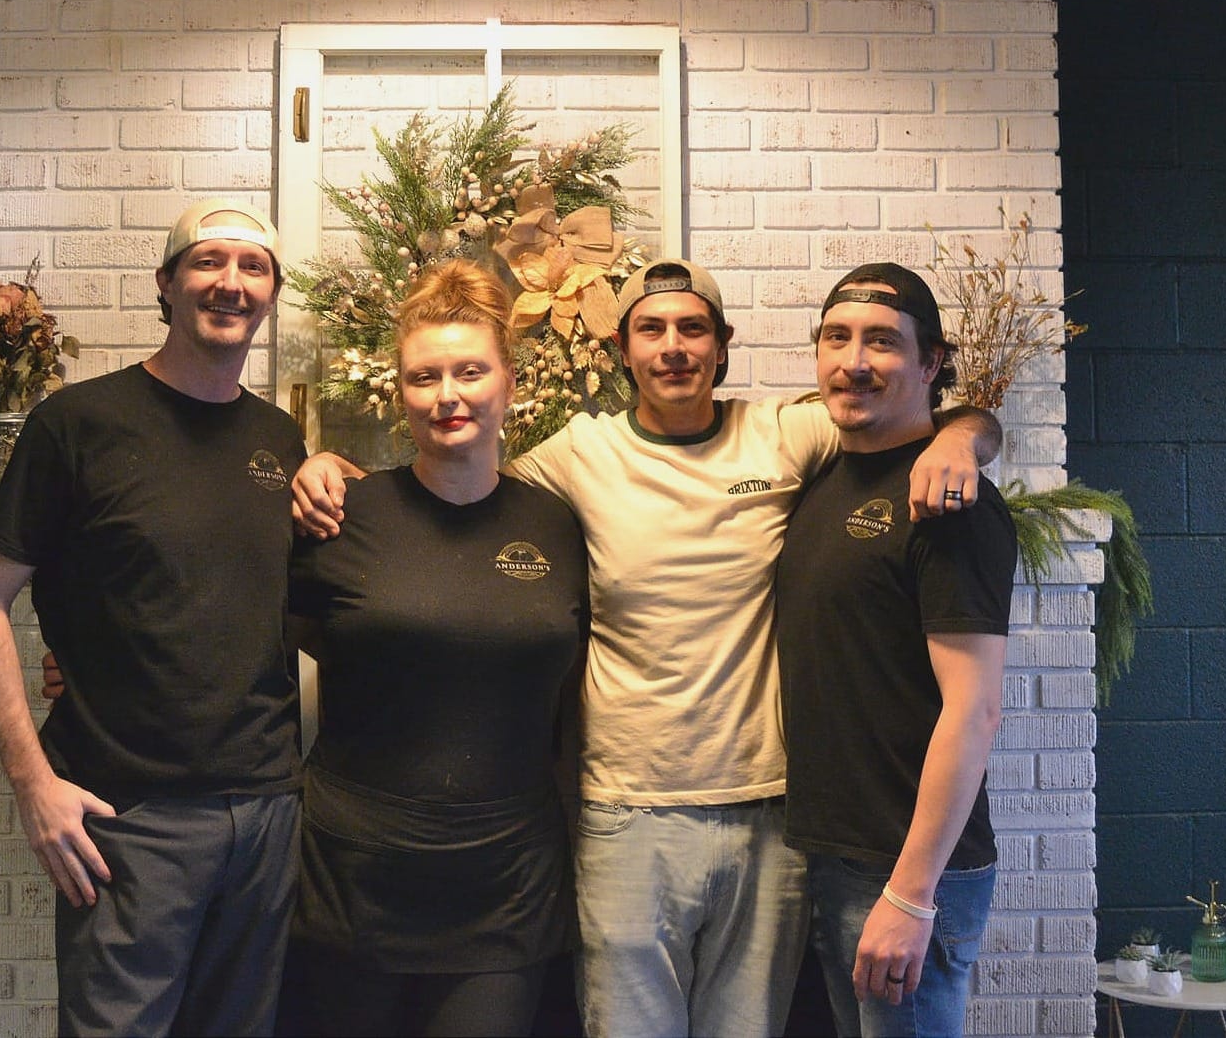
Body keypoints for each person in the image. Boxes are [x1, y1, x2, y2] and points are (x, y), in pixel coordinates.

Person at [294, 258, 1000, 1038]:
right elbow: (457, 476)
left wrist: (963, 437)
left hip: (767, 815)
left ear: (722, 345)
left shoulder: (786, 432)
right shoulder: (576, 455)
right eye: (651, 329)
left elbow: (901, 413)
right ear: (621, 351)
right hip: (624, 814)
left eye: (692, 328)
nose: (672, 347)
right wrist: (335, 473)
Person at [0, 199, 306, 1036]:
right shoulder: (78, 424)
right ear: (167, 284)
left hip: (267, 812)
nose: (231, 283)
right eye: (208, 262)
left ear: (271, 293)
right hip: (128, 818)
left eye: (253, 267)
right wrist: (33, 784)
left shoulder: (280, 439)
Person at [282, 259, 589, 1037]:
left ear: (509, 382)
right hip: (353, 880)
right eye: (424, 377)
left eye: (469, 371)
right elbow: (235, 644)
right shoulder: (342, 517)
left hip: (507, 889)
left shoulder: (558, 526)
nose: (447, 395)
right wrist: (92, 676)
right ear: (401, 393)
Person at [776, 263, 1016, 1037]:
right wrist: (969, 429)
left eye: (882, 341)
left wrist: (911, 895)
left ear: (930, 362)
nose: (854, 362)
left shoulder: (950, 503)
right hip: (838, 858)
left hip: (905, 871)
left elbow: (974, 710)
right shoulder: (827, 479)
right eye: (837, 338)